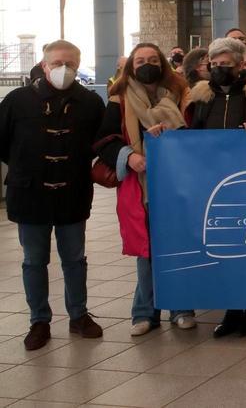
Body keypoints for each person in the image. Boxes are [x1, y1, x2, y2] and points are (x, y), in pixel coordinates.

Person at [0, 40, 106, 351]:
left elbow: (99, 142)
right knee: (34, 260)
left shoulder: (89, 102)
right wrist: (25, 165)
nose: (64, 69)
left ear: (78, 64)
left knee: (74, 258)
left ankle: (78, 315)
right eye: (58, 63)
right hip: (29, 192)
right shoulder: (17, 100)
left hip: (73, 192)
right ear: (45, 66)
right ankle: (39, 321)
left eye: (70, 64)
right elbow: (2, 142)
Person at [94, 43, 192, 336]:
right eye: (140, 61)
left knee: (177, 246)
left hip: (178, 183)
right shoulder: (119, 98)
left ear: (161, 63)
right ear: (131, 66)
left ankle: (181, 308)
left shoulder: (182, 95)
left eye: (152, 59)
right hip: (141, 184)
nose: (146, 64)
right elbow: (103, 140)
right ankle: (144, 312)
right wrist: (130, 157)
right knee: (146, 249)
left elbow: (195, 134)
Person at [185, 37, 246, 338]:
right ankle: (231, 309)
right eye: (215, 64)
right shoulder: (201, 97)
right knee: (223, 248)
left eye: (227, 64)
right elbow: (190, 136)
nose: (220, 69)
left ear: (240, 66)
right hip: (213, 184)